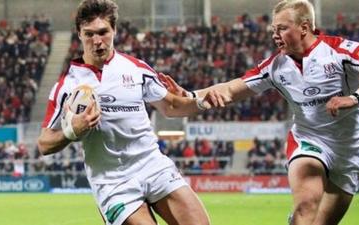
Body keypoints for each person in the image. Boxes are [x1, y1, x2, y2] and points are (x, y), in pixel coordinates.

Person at [158, 0, 359, 224]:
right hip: (308, 141)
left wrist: (355, 97)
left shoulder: (339, 51)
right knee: (306, 205)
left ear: (304, 28)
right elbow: (231, 88)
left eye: (282, 28)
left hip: (349, 150)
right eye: (273, 29)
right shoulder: (275, 67)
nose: (275, 35)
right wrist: (190, 95)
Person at [37, 0, 222, 224]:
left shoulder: (136, 69)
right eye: (89, 34)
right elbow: (44, 144)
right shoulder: (67, 86)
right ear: (79, 34)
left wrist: (202, 102)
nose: (97, 41)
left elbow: (171, 105)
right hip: (113, 182)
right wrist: (71, 131)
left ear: (114, 30)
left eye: (103, 32)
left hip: (153, 166)